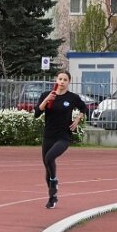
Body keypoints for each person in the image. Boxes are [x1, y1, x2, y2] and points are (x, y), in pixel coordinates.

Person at [35, 70, 87, 209]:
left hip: (63, 136)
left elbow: (84, 107)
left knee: (49, 158)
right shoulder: (46, 95)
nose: (62, 82)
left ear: (69, 82)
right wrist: (47, 100)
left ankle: (54, 181)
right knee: (47, 167)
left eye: (65, 79)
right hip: (48, 135)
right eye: (60, 79)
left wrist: (77, 119)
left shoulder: (72, 97)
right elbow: (37, 113)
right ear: (56, 80)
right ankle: (52, 197)